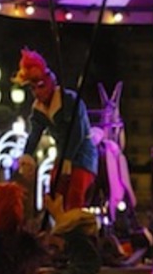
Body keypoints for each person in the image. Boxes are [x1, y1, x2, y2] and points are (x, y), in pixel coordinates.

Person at [13, 48, 98, 211]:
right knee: (54, 194)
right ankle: (59, 227)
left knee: (74, 195)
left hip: (82, 156)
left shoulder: (70, 101)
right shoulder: (39, 109)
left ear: (50, 82)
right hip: (62, 156)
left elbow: (77, 132)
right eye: (33, 88)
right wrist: (27, 154)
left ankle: (74, 230)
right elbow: (34, 134)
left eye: (40, 86)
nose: (37, 92)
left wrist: (68, 158)